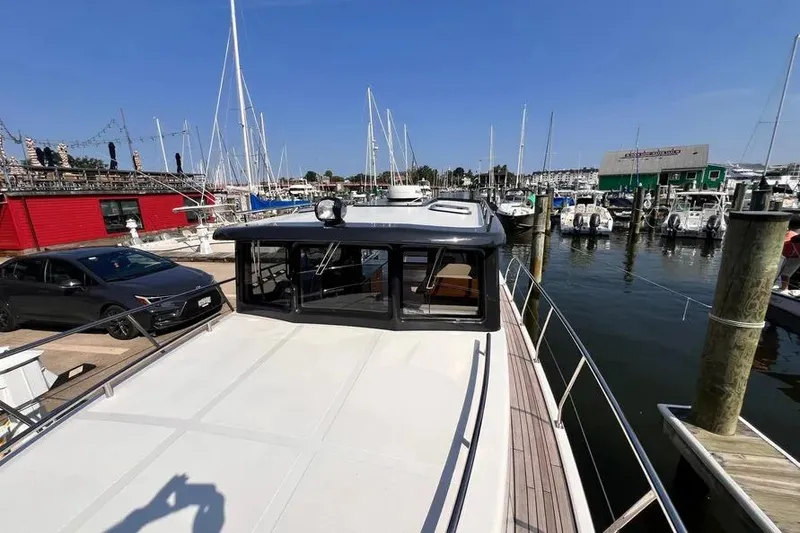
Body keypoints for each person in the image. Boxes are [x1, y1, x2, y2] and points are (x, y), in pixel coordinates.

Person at [779, 219, 800, 291]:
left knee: (785, 274)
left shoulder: (790, 234)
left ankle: (783, 289)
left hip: (793, 256)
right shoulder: (792, 235)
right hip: (793, 256)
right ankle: (785, 289)